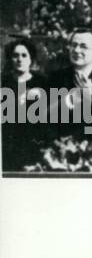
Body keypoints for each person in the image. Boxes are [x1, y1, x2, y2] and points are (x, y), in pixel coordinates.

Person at [1, 37, 45, 167]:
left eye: (24, 55)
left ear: (31, 59)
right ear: (10, 59)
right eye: (15, 55)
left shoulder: (42, 82)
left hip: (34, 143)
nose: (20, 59)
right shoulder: (3, 82)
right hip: (8, 143)